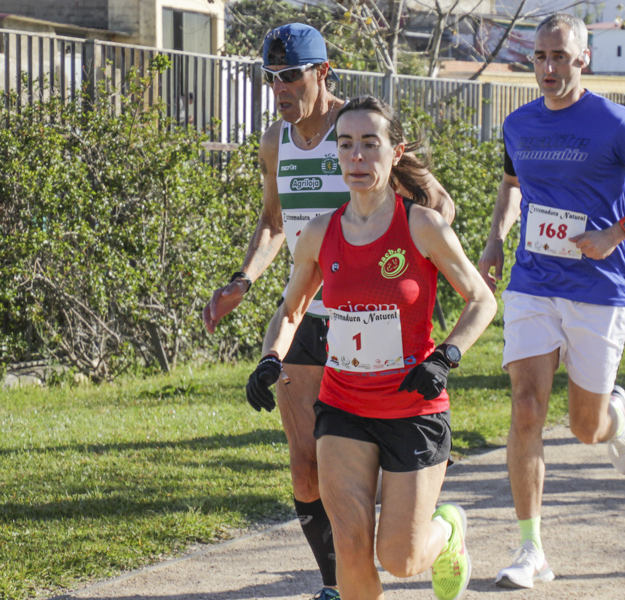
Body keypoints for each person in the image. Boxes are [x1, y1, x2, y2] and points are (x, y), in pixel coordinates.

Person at [202, 24, 454, 600]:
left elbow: (441, 204)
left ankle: (416, 536)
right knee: (305, 467)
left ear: (323, 73)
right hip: (306, 320)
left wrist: (412, 257)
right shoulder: (275, 142)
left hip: (374, 318)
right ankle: (338, 583)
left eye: (291, 75)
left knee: (375, 483)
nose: (280, 88)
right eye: (271, 77)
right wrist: (244, 278)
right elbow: (273, 222)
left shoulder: (358, 131)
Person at [247, 95, 496, 600]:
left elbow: (481, 300)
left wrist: (446, 357)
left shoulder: (422, 225)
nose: (356, 157)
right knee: (352, 544)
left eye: (369, 144)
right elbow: (292, 309)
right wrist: (271, 357)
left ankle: (448, 531)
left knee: (399, 559)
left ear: (394, 151)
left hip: (412, 406)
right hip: (343, 407)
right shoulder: (320, 233)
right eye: (346, 145)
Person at [477, 13, 625, 589]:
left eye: (560, 57)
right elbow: (513, 185)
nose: (548, 68)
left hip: (599, 287)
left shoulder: (614, 121)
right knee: (526, 406)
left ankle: (614, 417)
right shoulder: (518, 124)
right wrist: (496, 241)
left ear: (583, 59)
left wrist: (617, 233)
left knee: (583, 427)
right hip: (533, 282)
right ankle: (530, 550)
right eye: (540, 58)